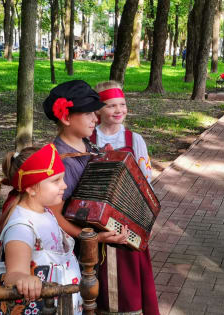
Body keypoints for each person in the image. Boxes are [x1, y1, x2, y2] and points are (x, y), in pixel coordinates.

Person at [42, 80, 160, 315]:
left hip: (105, 245)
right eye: (88, 113)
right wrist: (94, 237)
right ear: (66, 118)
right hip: (81, 254)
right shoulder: (57, 160)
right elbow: (54, 215)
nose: (95, 119)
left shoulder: (91, 147)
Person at [0, 144, 83, 314]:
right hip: (42, 307)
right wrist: (24, 278)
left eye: (62, 179)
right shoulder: (21, 227)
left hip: (59, 302)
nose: (64, 185)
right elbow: (14, 272)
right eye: (56, 180)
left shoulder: (44, 210)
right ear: (31, 188)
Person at [91, 81, 159, 314]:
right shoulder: (89, 138)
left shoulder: (135, 139)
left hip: (128, 218)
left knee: (128, 273)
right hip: (95, 218)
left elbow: (145, 180)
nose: (119, 110)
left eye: (122, 104)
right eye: (111, 105)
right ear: (98, 110)